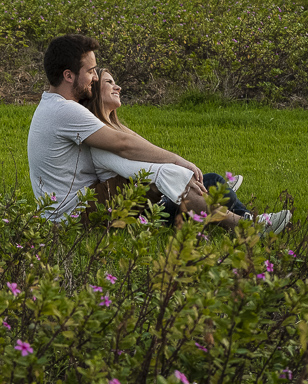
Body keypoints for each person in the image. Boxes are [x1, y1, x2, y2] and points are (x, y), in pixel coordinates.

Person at [26, 34, 290, 235]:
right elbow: (123, 144)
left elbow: (124, 139)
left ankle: (236, 216)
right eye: (90, 71)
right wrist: (176, 161)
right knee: (152, 177)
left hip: (80, 207)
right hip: (74, 217)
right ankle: (245, 228)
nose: (95, 77)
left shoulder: (56, 107)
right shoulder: (64, 111)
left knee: (179, 177)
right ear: (68, 75)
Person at [82, 67, 286, 230]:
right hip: (149, 211)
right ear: (95, 91)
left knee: (212, 179)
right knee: (206, 185)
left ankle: (243, 215)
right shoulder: (101, 139)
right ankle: (249, 224)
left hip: (159, 197)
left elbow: (149, 157)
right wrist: (182, 173)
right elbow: (140, 171)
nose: (118, 87)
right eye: (109, 83)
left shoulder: (116, 128)